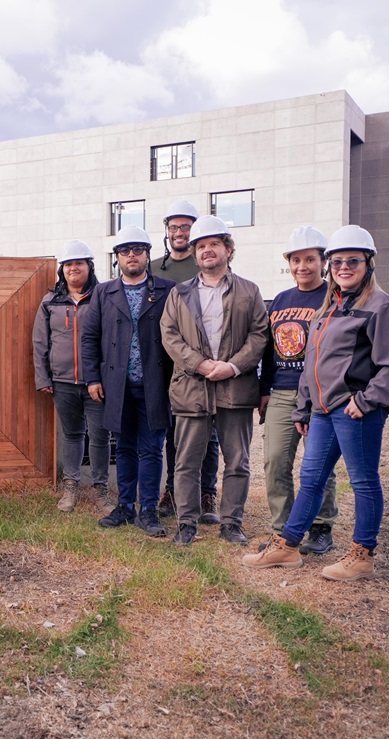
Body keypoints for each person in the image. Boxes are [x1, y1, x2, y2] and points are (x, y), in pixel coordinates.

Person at [243, 226, 389, 580]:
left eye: (353, 261)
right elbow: (312, 363)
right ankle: (288, 546)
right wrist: (304, 406)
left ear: (368, 263)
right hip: (321, 411)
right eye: (338, 261)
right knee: (311, 478)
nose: (344, 267)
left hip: (353, 411)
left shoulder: (381, 307)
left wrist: (366, 401)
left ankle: (362, 554)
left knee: (363, 481)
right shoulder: (329, 307)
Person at [160, 216, 268, 546]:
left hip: (236, 388)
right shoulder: (180, 293)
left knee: (237, 461)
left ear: (228, 249)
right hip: (192, 389)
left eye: (214, 244)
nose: (207, 250)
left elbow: (259, 335)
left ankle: (232, 523)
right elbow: (169, 335)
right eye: (202, 246)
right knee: (186, 462)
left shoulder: (249, 291)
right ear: (195, 254)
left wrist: (232, 367)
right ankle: (187, 523)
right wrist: (200, 364)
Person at [82, 226, 175, 536]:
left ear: (148, 254)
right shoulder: (103, 292)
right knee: (123, 448)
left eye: (138, 249)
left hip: (155, 384)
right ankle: (124, 506)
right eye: (125, 250)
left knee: (152, 450)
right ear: (117, 257)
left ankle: (148, 510)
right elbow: (90, 337)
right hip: (117, 385)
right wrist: (93, 378)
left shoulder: (168, 290)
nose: (131, 255)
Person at [256, 226, 339, 554]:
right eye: (295, 260)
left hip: (319, 392)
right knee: (275, 460)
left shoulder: (333, 297)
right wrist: (264, 389)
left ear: (323, 262)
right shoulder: (281, 300)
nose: (302, 266)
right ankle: (284, 530)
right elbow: (268, 349)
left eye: (309, 259)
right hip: (282, 390)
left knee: (318, 465)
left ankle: (321, 527)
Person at [32, 239, 110, 514]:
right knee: (73, 435)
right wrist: (43, 378)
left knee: (99, 436)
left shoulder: (103, 297)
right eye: (68, 264)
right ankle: (71, 486)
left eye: (79, 263)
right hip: (62, 382)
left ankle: (101, 489)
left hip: (96, 383)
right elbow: (40, 342)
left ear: (89, 267)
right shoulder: (50, 301)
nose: (73, 268)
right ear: (62, 270)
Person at [155, 200, 220, 525]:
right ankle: (172, 491)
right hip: (165, 364)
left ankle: (207, 493)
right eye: (174, 227)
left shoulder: (204, 265)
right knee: (173, 432)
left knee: (209, 433)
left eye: (185, 227)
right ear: (167, 232)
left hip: (203, 365)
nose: (179, 232)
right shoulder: (155, 267)